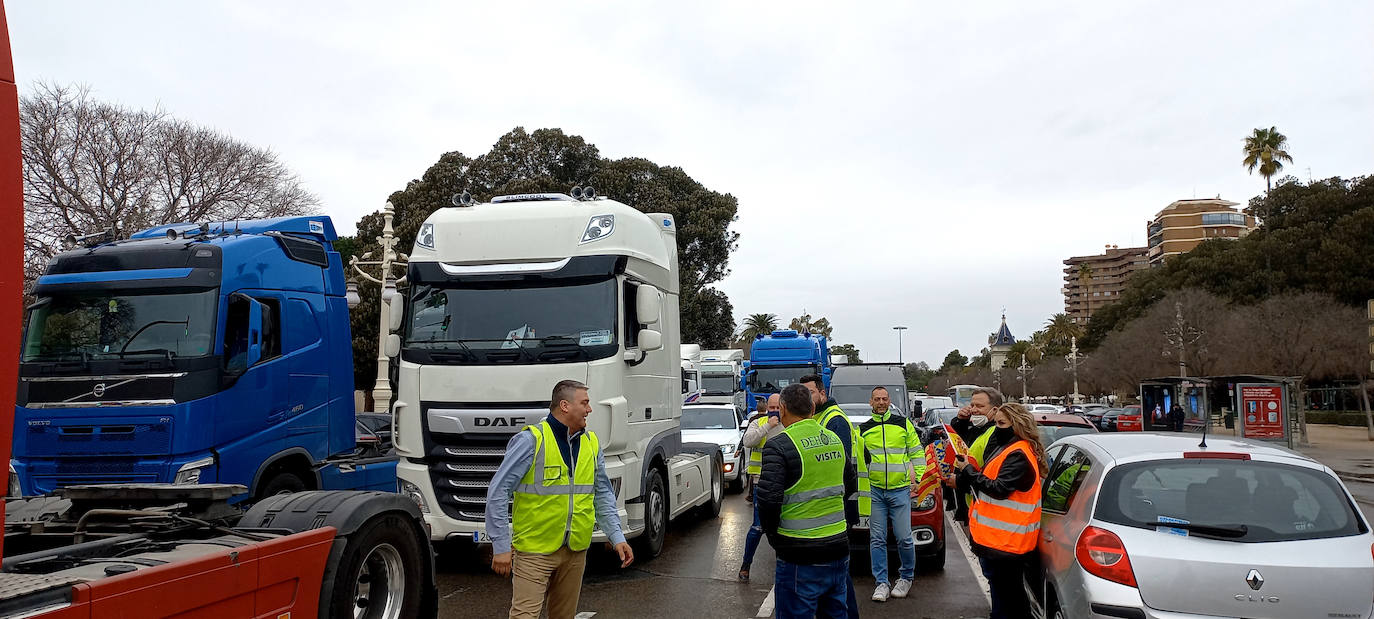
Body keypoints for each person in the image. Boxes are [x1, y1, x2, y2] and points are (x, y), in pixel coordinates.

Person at [485, 380, 635, 619]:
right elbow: (498, 490)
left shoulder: (591, 443)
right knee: (524, 616)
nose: (589, 409)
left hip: (575, 550)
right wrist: (501, 546)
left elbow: (602, 494)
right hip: (535, 551)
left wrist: (616, 536)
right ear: (565, 406)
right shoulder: (531, 440)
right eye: (584, 403)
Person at [758, 383, 856, 619]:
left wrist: (775, 539)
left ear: (781, 409)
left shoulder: (779, 444)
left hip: (799, 554)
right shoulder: (833, 439)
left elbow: (768, 501)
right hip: (837, 548)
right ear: (812, 408)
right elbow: (849, 484)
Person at [949, 403, 1046, 619]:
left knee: (1010, 596)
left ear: (1018, 425)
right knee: (1006, 594)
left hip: (1009, 541)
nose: (998, 427)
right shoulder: (1007, 447)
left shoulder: (1018, 453)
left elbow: (999, 488)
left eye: (1002, 423)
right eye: (996, 423)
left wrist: (969, 470)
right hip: (1000, 539)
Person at [801, 374, 866, 619]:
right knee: (836, 575)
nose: (807, 397)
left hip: (839, 508)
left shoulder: (834, 420)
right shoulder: (819, 418)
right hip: (833, 507)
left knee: (838, 576)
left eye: (810, 392)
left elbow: (839, 469)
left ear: (822, 394)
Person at [857, 386, 923, 602]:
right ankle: (881, 583)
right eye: (877, 399)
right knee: (877, 539)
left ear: (890, 401)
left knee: (904, 538)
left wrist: (919, 478)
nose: (881, 402)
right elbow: (857, 458)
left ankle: (906, 577)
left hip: (900, 489)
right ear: (871, 402)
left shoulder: (903, 424)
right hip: (875, 491)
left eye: (884, 398)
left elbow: (916, 452)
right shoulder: (863, 429)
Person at [739, 393, 784, 581]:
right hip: (760, 482)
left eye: (777, 408)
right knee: (758, 527)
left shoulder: (788, 426)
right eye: (771, 408)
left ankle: (782, 567)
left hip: (783, 484)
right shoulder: (758, 423)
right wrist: (767, 426)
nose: (774, 411)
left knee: (782, 528)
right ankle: (745, 565)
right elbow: (748, 441)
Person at [947, 386, 1002, 524]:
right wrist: (961, 421)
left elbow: (990, 475)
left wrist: (959, 483)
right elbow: (960, 444)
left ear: (995, 410)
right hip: (973, 504)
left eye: (980, 406)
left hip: (987, 507)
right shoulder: (977, 428)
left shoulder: (996, 434)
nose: (973, 410)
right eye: (972, 405)